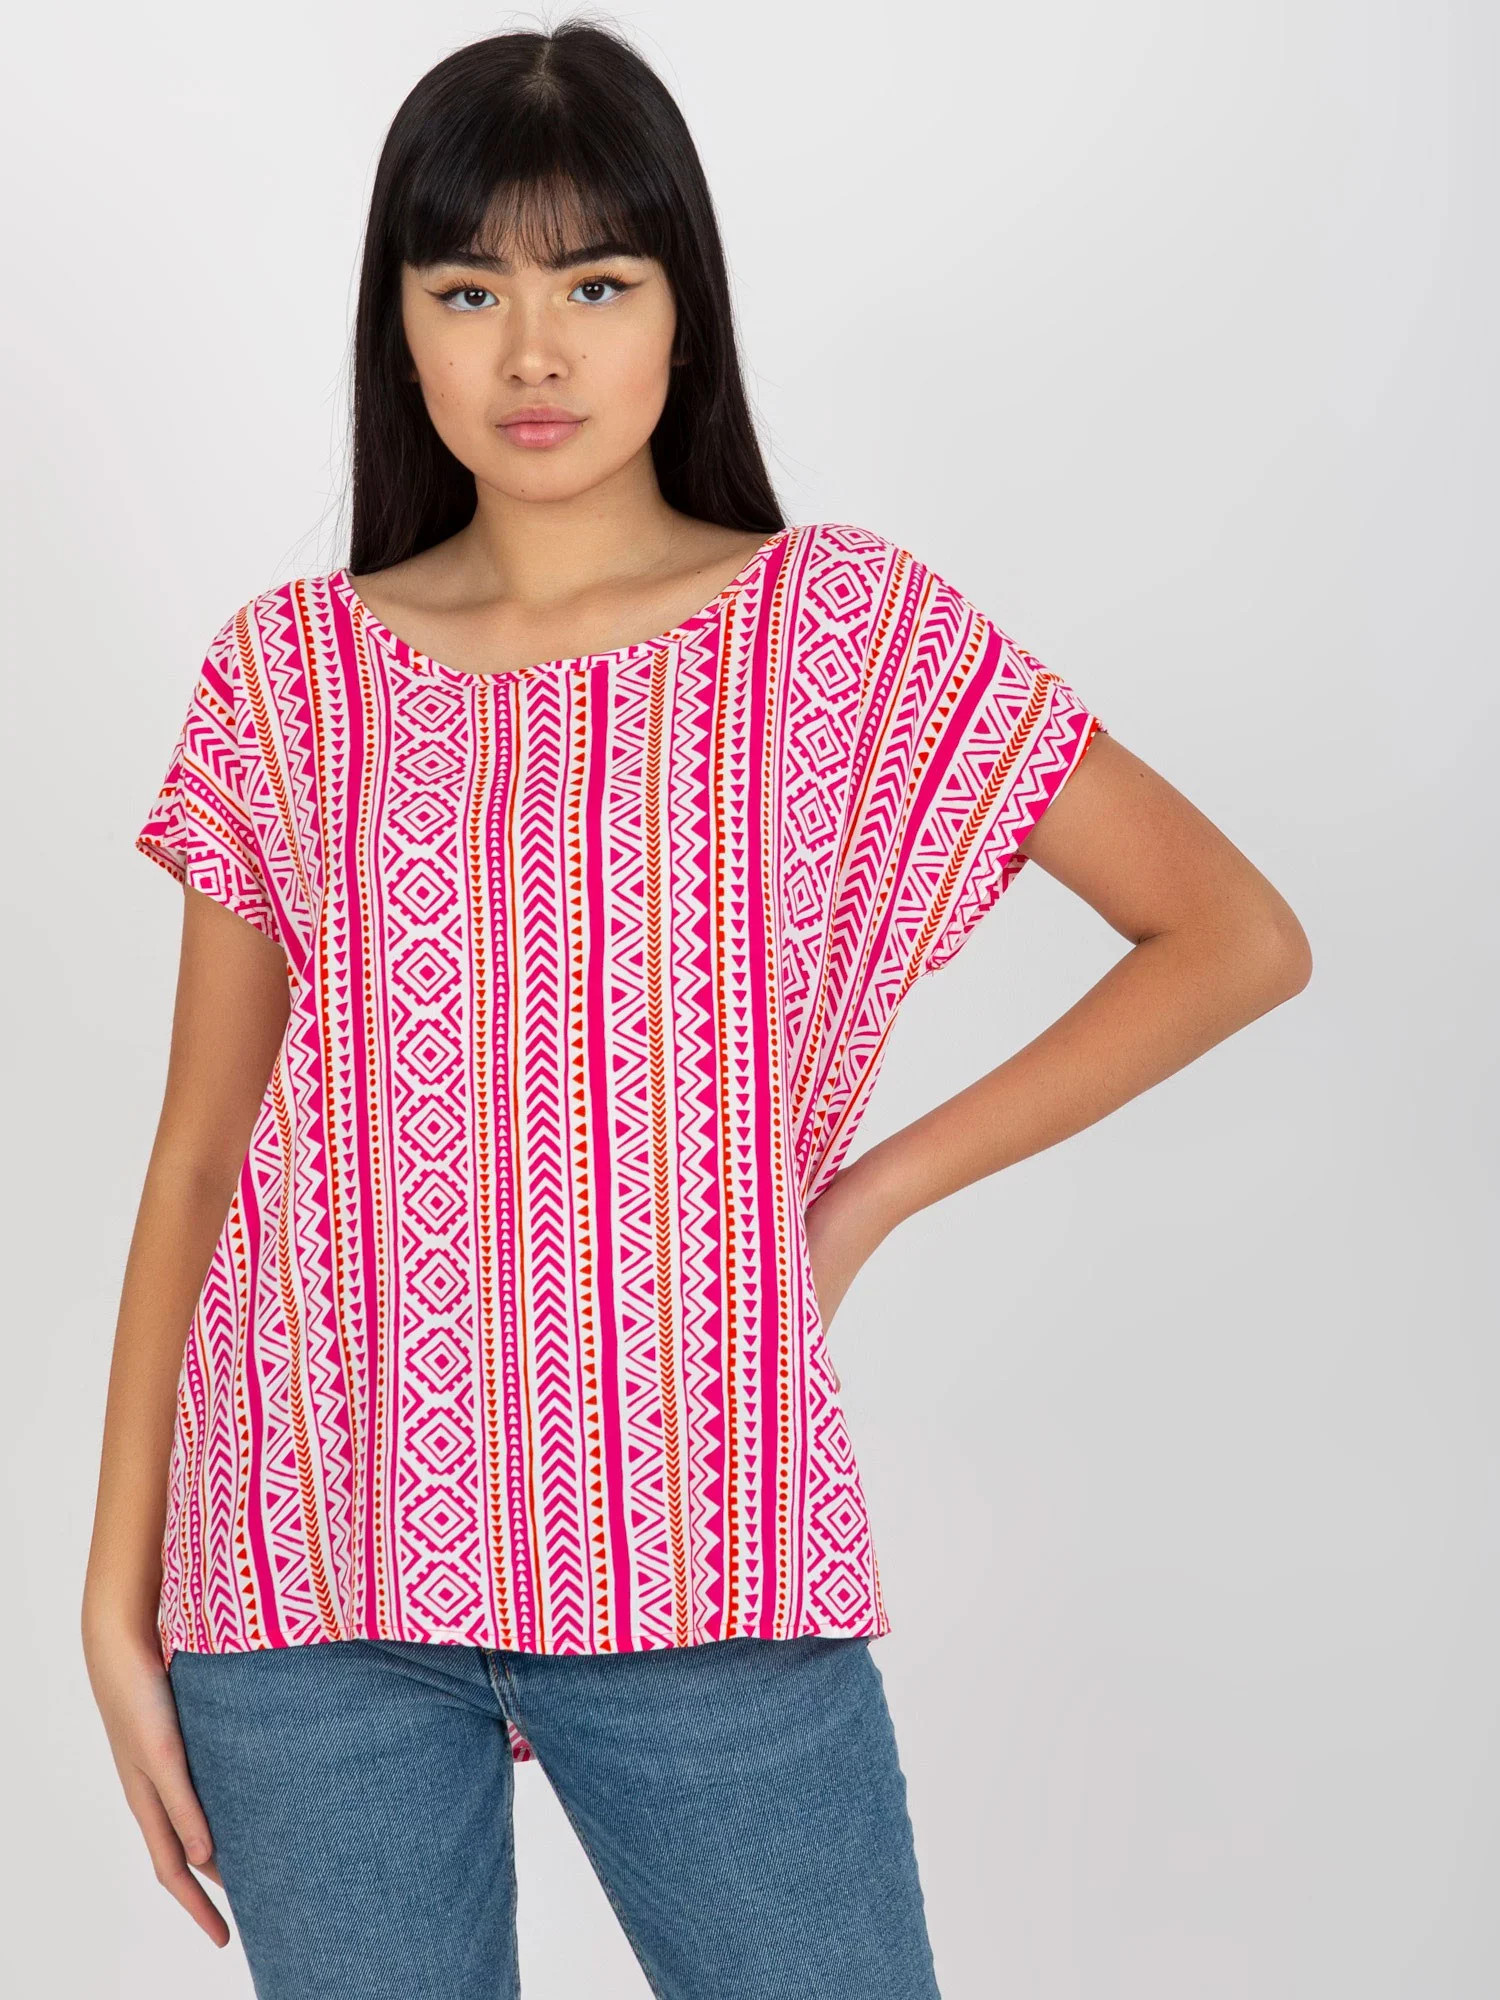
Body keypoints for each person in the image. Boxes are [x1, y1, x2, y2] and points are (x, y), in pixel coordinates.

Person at [80, 20, 1312, 2000]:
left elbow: (1228, 933)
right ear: (399, 325)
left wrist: (865, 1196)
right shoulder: (287, 677)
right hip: (301, 1569)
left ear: (684, 313)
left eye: (595, 283)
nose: (532, 351)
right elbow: (199, 1151)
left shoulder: (841, 630)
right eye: (467, 289)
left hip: (698, 1537)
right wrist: (113, 1591)